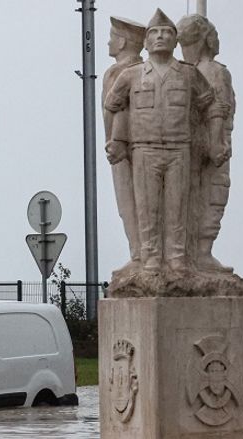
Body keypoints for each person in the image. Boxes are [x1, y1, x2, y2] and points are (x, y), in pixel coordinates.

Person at [104, 9, 224, 273]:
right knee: (148, 209)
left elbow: (212, 106)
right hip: (144, 149)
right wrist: (117, 140)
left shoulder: (188, 74)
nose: (160, 37)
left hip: (179, 149)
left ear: (175, 40)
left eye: (167, 33)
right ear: (146, 43)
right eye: (154, 33)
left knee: (177, 208)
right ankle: (150, 259)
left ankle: (177, 259)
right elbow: (115, 105)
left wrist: (216, 141)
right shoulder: (131, 75)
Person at [177, 14, 235, 272]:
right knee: (207, 197)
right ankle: (200, 252)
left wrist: (216, 143)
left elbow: (219, 113)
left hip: (212, 147)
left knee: (210, 196)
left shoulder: (213, 71)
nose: (182, 50)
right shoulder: (202, 71)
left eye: (185, 43)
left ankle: (201, 253)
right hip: (199, 147)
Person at [102, 16, 146, 274]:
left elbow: (119, 109)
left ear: (122, 41)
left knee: (130, 202)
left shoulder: (125, 72)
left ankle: (139, 254)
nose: (109, 41)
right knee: (127, 203)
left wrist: (115, 140)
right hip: (119, 147)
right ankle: (137, 251)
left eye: (112, 36)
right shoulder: (122, 70)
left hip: (125, 148)